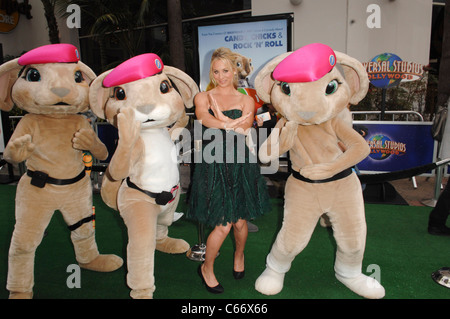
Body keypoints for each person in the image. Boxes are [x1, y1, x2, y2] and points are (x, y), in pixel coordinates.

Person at [187, 47, 271, 294]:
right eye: (216, 71)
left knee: (240, 222)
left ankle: (239, 255)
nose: (221, 76)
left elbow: (245, 128)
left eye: (225, 70)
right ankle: (207, 268)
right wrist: (226, 122)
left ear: (234, 70)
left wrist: (223, 116)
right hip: (213, 163)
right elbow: (204, 119)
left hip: (241, 163)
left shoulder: (247, 99)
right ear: (211, 72)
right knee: (223, 224)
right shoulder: (202, 97)